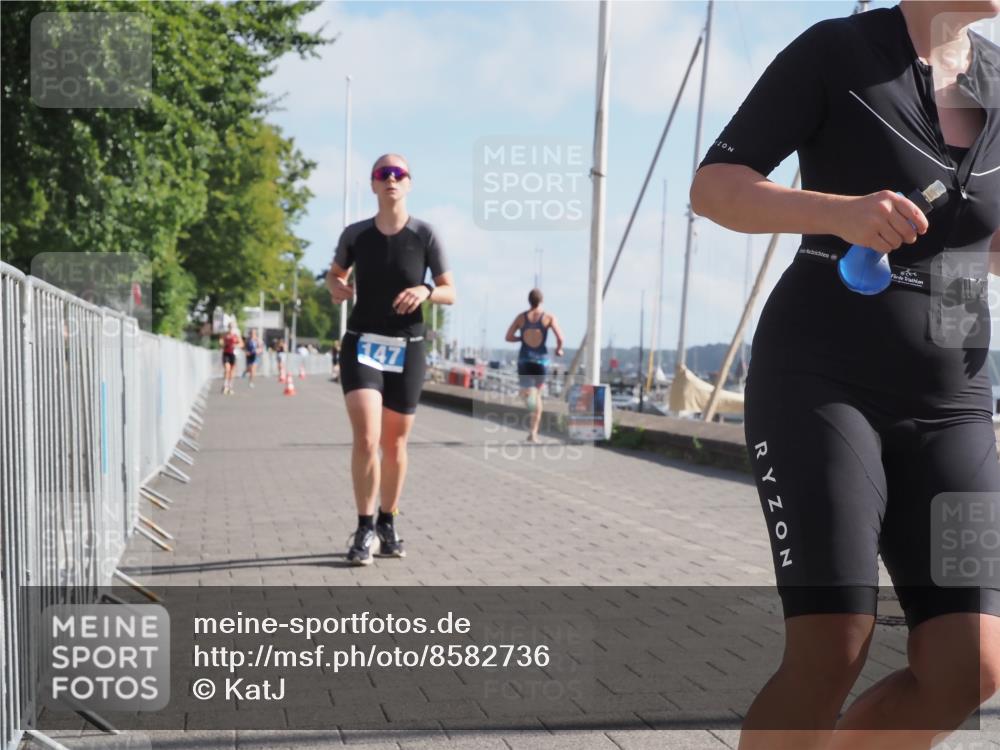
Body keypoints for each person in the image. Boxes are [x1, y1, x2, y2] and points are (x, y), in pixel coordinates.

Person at [690, 3, 1000, 749]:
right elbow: (714, 187)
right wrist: (842, 213)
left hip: (954, 394)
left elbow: (983, 236)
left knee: (975, 659)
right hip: (823, 374)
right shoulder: (839, 50)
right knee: (834, 641)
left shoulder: (996, 77)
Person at [327, 153, 455, 566]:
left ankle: (388, 520)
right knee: (367, 438)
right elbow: (335, 274)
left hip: (409, 347)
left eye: (399, 174)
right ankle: (364, 528)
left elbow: (450, 290)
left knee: (395, 442)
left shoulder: (425, 234)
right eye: (384, 174)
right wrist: (338, 287)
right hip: (363, 342)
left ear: (409, 184)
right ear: (373, 185)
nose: (392, 180)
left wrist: (426, 291)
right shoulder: (356, 234)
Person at [504, 289, 564, 443]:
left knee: (528, 394)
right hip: (541, 362)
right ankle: (534, 432)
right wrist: (559, 349)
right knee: (537, 395)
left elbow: (508, 337)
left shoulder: (521, 318)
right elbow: (560, 338)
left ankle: (529, 400)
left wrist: (521, 338)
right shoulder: (548, 317)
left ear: (529, 300)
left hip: (524, 360)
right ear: (541, 301)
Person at [219, 323, 243, 395]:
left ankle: (230, 386)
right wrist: (223, 344)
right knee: (227, 369)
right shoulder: (225, 335)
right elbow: (220, 341)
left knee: (232, 371)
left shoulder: (236, 335)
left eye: (232, 327)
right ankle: (225, 385)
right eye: (229, 327)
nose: (230, 328)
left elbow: (242, 344)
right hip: (226, 354)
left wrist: (236, 345)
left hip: (233, 354)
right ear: (228, 327)